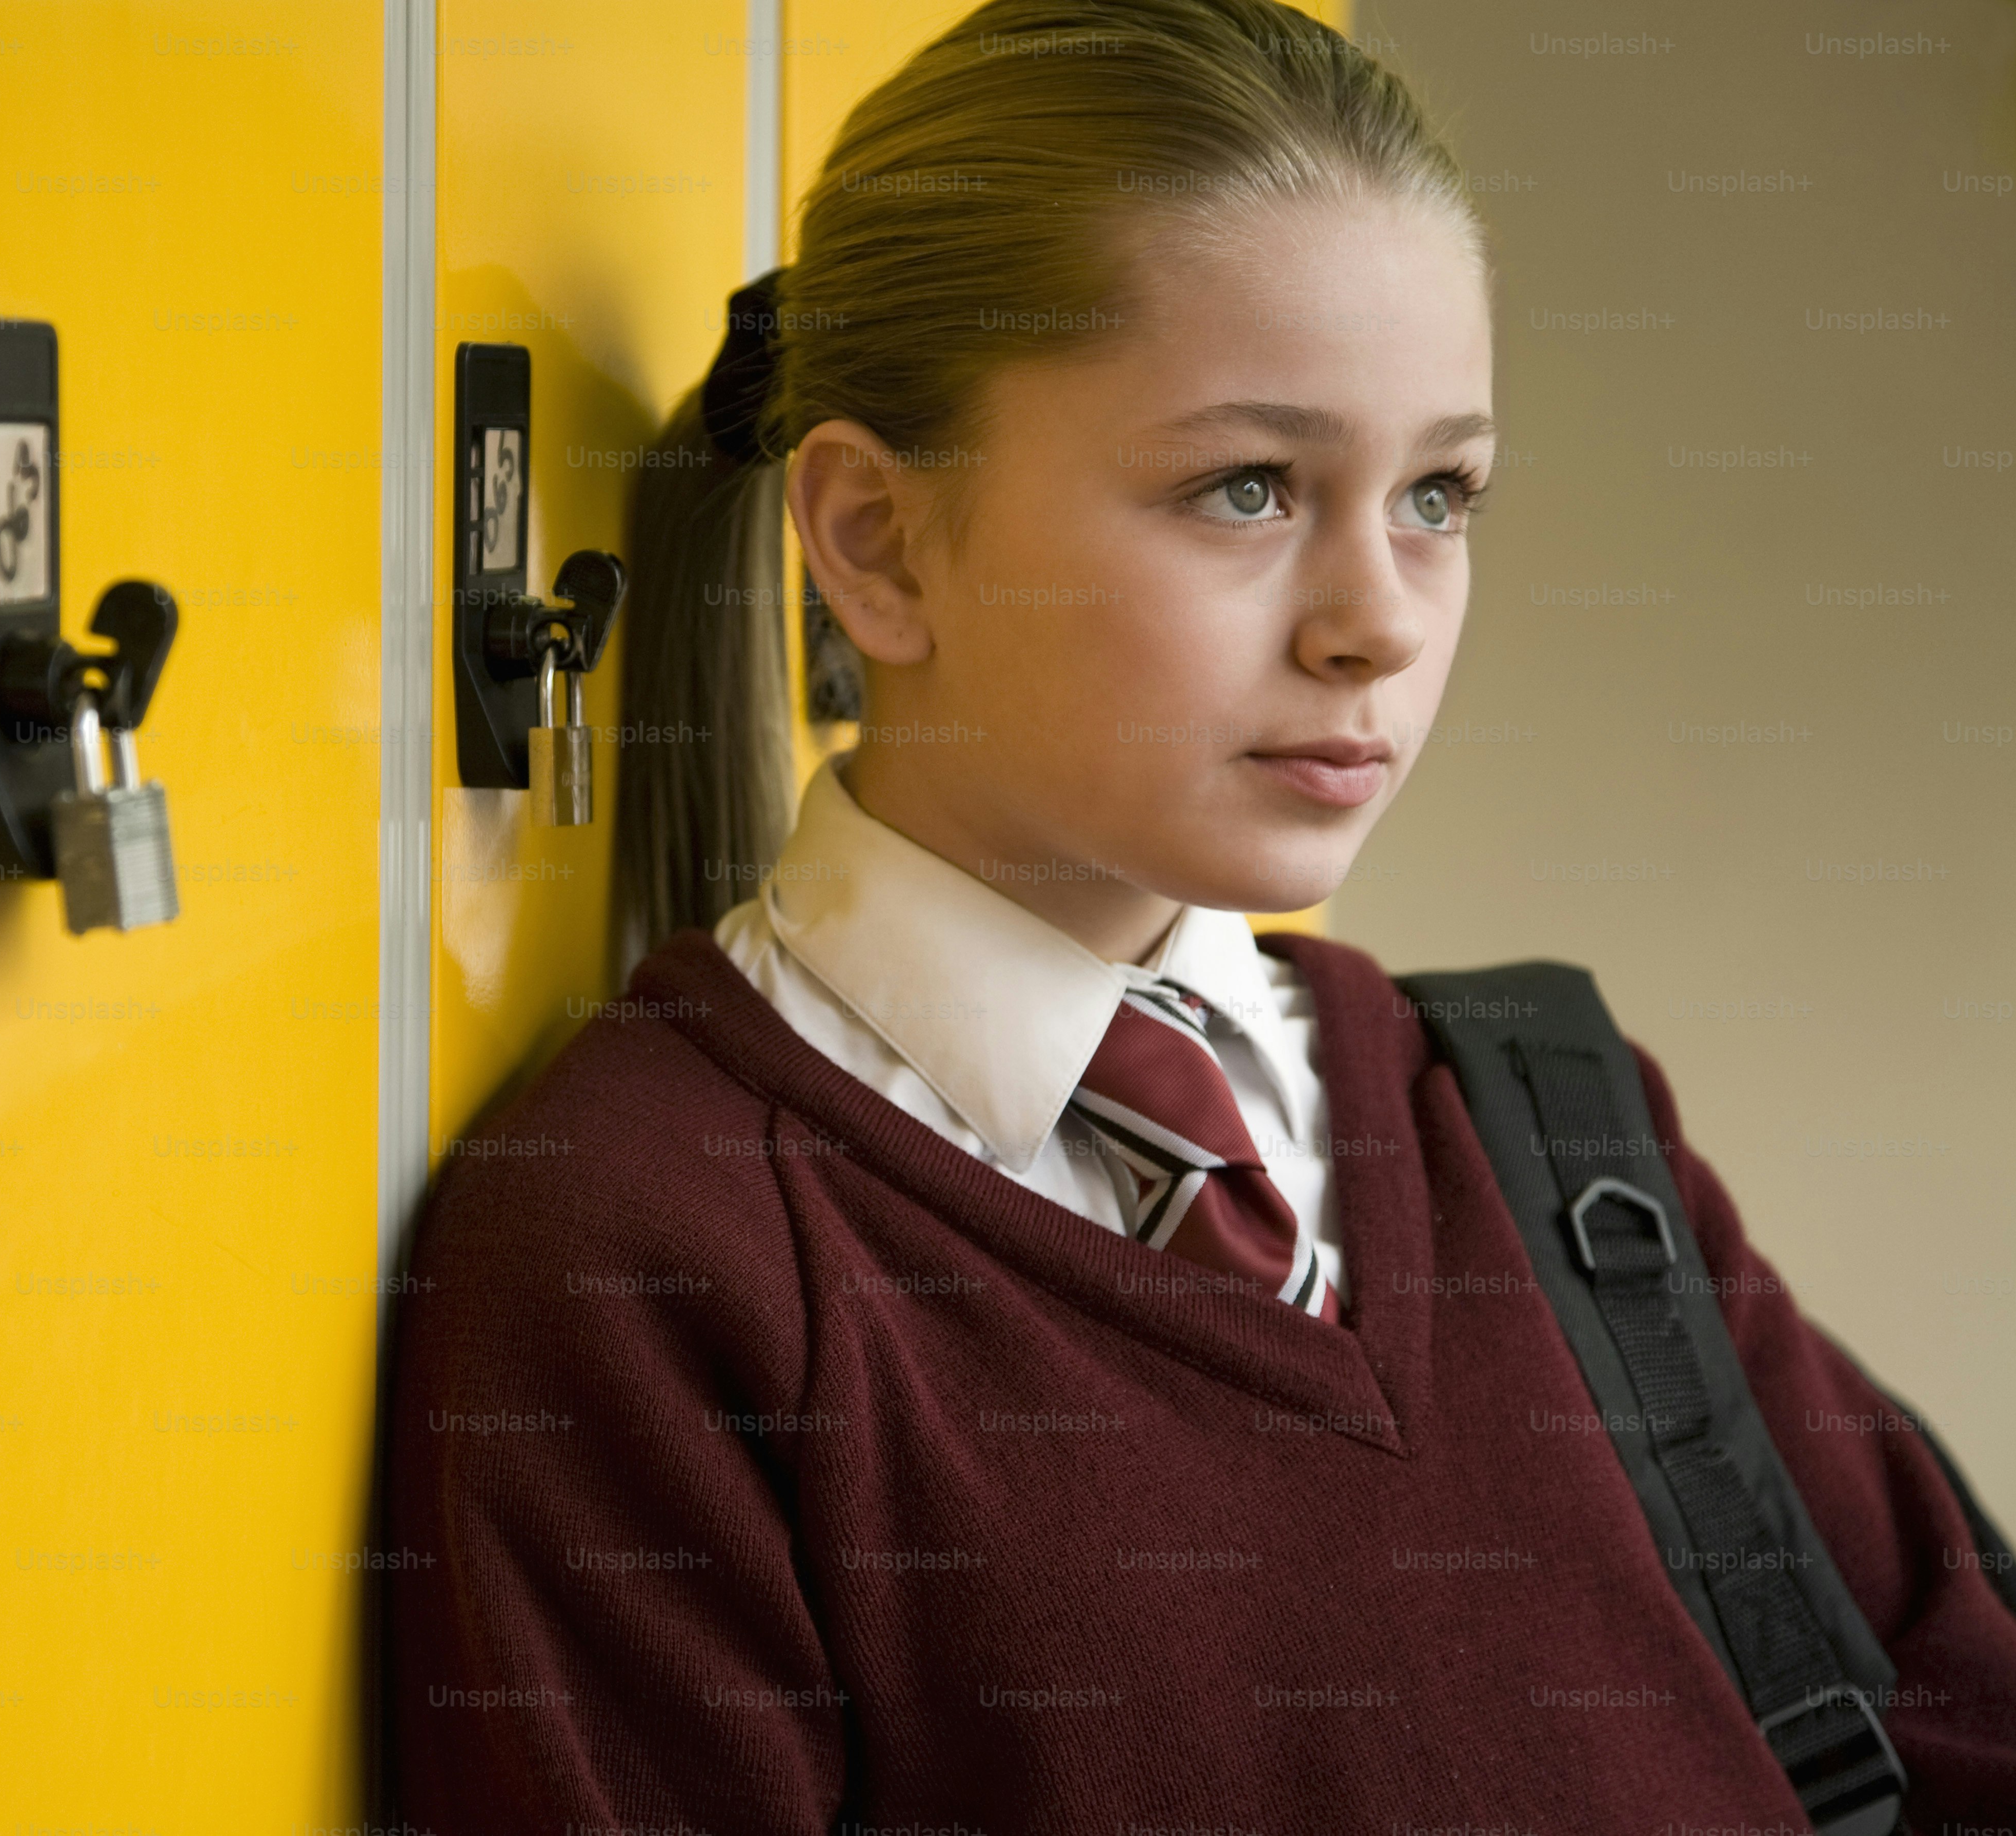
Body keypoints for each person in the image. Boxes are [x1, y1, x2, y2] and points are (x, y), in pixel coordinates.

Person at [380, 1, 2016, 1827]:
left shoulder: (1545, 1119)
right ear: (877, 541)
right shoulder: (645, 1257)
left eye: (1437, 495)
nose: (1378, 620)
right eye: (1248, 488)